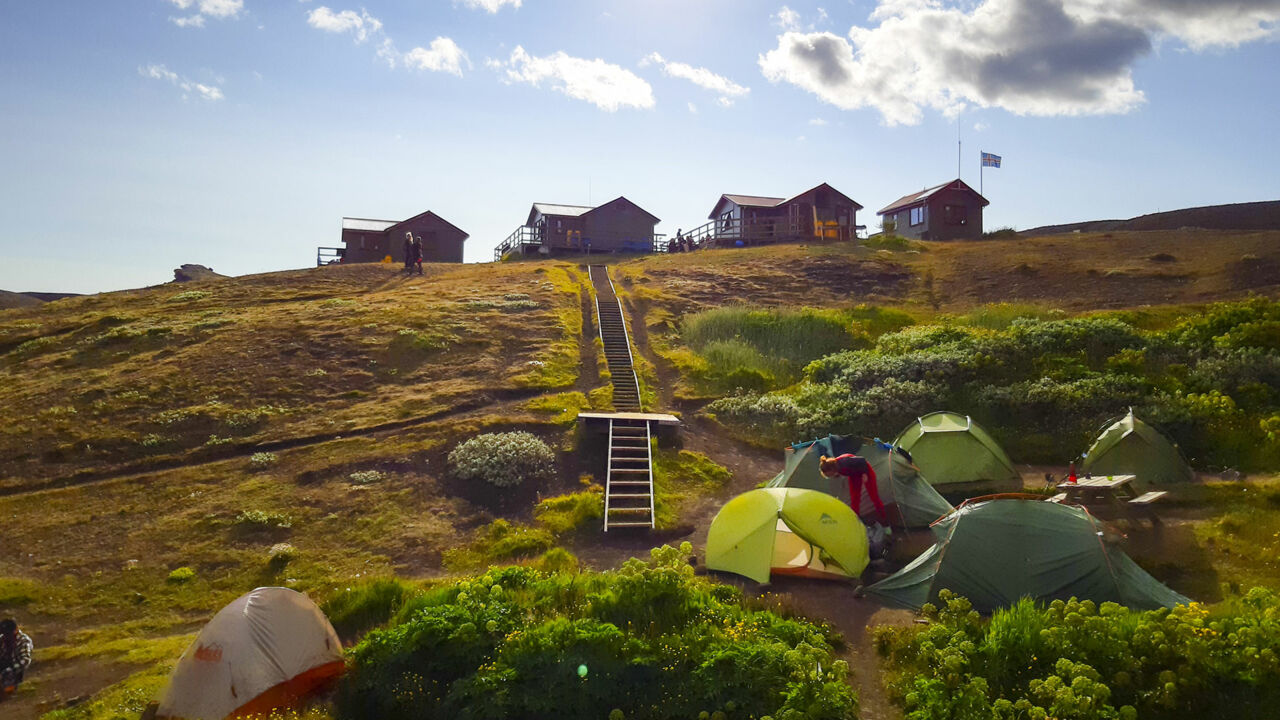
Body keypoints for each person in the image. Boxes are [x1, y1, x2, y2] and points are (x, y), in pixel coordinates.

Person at [820, 454, 890, 526]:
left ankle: (884, 521)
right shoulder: (836, 469)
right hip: (854, 475)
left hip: (866, 471)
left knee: (874, 497)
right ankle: (856, 522)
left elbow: (862, 460)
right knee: (854, 499)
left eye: (829, 475)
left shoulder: (844, 462)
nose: (830, 476)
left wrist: (864, 474)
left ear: (831, 469)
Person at [0, 618, 32, 696]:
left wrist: (12, 667)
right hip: (5, 663)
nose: (6, 636)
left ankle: (8, 691)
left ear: (16, 630)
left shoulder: (23, 640)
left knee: (7, 672)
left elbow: (26, 660)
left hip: (17, 669)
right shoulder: (2, 639)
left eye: (8, 634)